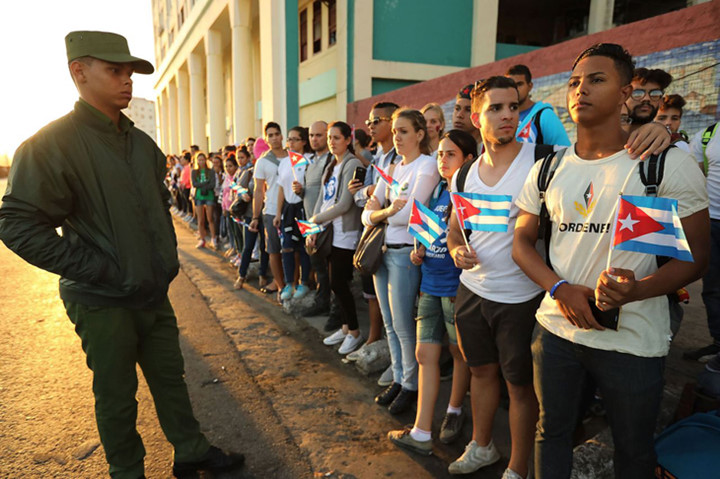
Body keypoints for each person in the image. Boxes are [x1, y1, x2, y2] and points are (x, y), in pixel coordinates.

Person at [0, 31, 243, 479]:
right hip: (102, 300)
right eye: (115, 70)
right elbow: (16, 223)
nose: (127, 80)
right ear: (79, 72)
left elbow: (153, 213)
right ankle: (126, 472)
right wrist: (99, 269)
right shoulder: (50, 145)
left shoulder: (142, 145)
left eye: (129, 72)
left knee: (172, 380)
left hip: (153, 292)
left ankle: (190, 451)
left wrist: (163, 264)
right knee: (116, 395)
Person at [512, 43, 709, 479]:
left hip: (633, 343)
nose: (580, 89)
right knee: (552, 433)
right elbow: (522, 244)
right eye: (574, 82)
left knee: (634, 452)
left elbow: (696, 259)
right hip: (557, 331)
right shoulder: (548, 168)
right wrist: (559, 288)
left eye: (596, 79)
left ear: (626, 93)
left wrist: (636, 290)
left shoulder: (662, 165)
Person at [444, 76, 547, 479]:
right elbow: (455, 230)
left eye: (513, 107)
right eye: (496, 108)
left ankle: (518, 468)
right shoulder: (464, 175)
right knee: (481, 373)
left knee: (520, 386)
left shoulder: (543, 160)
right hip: (471, 293)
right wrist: (456, 251)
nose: (507, 115)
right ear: (476, 117)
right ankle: (481, 446)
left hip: (522, 296)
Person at [387, 129, 475, 455]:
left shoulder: (470, 193)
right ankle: (421, 431)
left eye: (450, 154)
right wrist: (419, 249)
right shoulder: (438, 188)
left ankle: (453, 410)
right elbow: (427, 229)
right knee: (425, 355)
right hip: (429, 284)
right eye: (439, 154)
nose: (442, 160)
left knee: (459, 353)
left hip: (456, 289)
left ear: (468, 159)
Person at [362, 108, 440, 414]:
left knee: (405, 324)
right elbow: (367, 214)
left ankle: (411, 385)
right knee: (390, 324)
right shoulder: (392, 167)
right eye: (395, 131)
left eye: (403, 131)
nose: (397, 136)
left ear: (420, 134)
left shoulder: (427, 166)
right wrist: (385, 214)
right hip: (382, 251)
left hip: (405, 254)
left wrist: (385, 214)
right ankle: (398, 377)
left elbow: (411, 217)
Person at [349, 102, 401, 383]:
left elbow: (393, 198)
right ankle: (392, 362)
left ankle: (402, 370)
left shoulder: (400, 157)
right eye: (369, 121)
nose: (370, 126)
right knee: (381, 302)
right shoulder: (376, 158)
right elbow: (360, 199)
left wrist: (372, 196)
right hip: (375, 233)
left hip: (396, 238)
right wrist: (371, 194)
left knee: (399, 314)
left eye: (376, 120)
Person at [307, 122, 365, 354]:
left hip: (345, 232)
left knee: (339, 283)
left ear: (348, 140)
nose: (331, 141)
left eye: (336, 138)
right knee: (335, 283)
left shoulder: (352, 164)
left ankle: (355, 331)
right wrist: (314, 226)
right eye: (330, 137)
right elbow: (322, 198)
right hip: (329, 230)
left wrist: (317, 220)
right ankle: (345, 327)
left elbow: (344, 204)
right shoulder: (332, 164)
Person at [685, 121, 720, 362]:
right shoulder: (707, 135)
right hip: (711, 222)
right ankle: (718, 344)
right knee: (713, 288)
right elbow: (692, 174)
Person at [295, 121, 336, 320]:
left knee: (328, 269)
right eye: (311, 135)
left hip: (325, 224)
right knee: (317, 266)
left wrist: (319, 224)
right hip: (310, 223)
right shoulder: (310, 161)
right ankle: (322, 302)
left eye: (319, 135)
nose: (314, 139)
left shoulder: (332, 161)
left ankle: (331, 307)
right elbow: (310, 191)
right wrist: (300, 191)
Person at [250, 122, 288, 298]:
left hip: (292, 208)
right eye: (270, 135)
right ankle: (280, 285)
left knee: (293, 250)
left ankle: (293, 283)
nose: (274, 138)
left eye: (276, 134)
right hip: (271, 209)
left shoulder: (292, 157)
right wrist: (255, 216)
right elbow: (259, 190)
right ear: (266, 139)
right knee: (273, 250)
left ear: (282, 136)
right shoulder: (263, 161)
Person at [275, 126, 312, 300]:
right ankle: (289, 283)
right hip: (288, 209)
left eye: (295, 139)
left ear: (304, 141)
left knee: (305, 247)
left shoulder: (310, 160)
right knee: (287, 247)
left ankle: (304, 283)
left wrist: (302, 190)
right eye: (289, 139)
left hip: (305, 208)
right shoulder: (284, 162)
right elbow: (281, 189)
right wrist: (277, 213)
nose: (291, 143)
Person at [505, 64, 571, 147]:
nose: (515, 89)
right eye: (511, 86)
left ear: (530, 86)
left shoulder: (545, 116)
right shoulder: (503, 118)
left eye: (519, 84)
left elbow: (564, 151)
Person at [234, 146, 271, 290]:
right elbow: (237, 187)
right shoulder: (249, 172)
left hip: (267, 214)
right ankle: (241, 275)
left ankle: (263, 274)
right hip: (250, 215)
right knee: (248, 246)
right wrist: (243, 194)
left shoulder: (272, 172)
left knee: (264, 247)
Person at [626, 67, 673, 132]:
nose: (646, 99)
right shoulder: (608, 136)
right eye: (637, 93)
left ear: (661, 101)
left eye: (655, 94)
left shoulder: (672, 141)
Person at [191, 151, 218, 249]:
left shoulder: (210, 171)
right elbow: (194, 184)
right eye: (199, 160)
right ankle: (202, 239)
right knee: (200, 219)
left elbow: (212, 184)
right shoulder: (194, 172)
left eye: (203, 160)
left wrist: (204, 185)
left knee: (210, 218)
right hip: (199, 196)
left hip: (209, 196)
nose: (201, 162)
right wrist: (205, 183)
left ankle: (213, 238)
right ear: (196, 161)